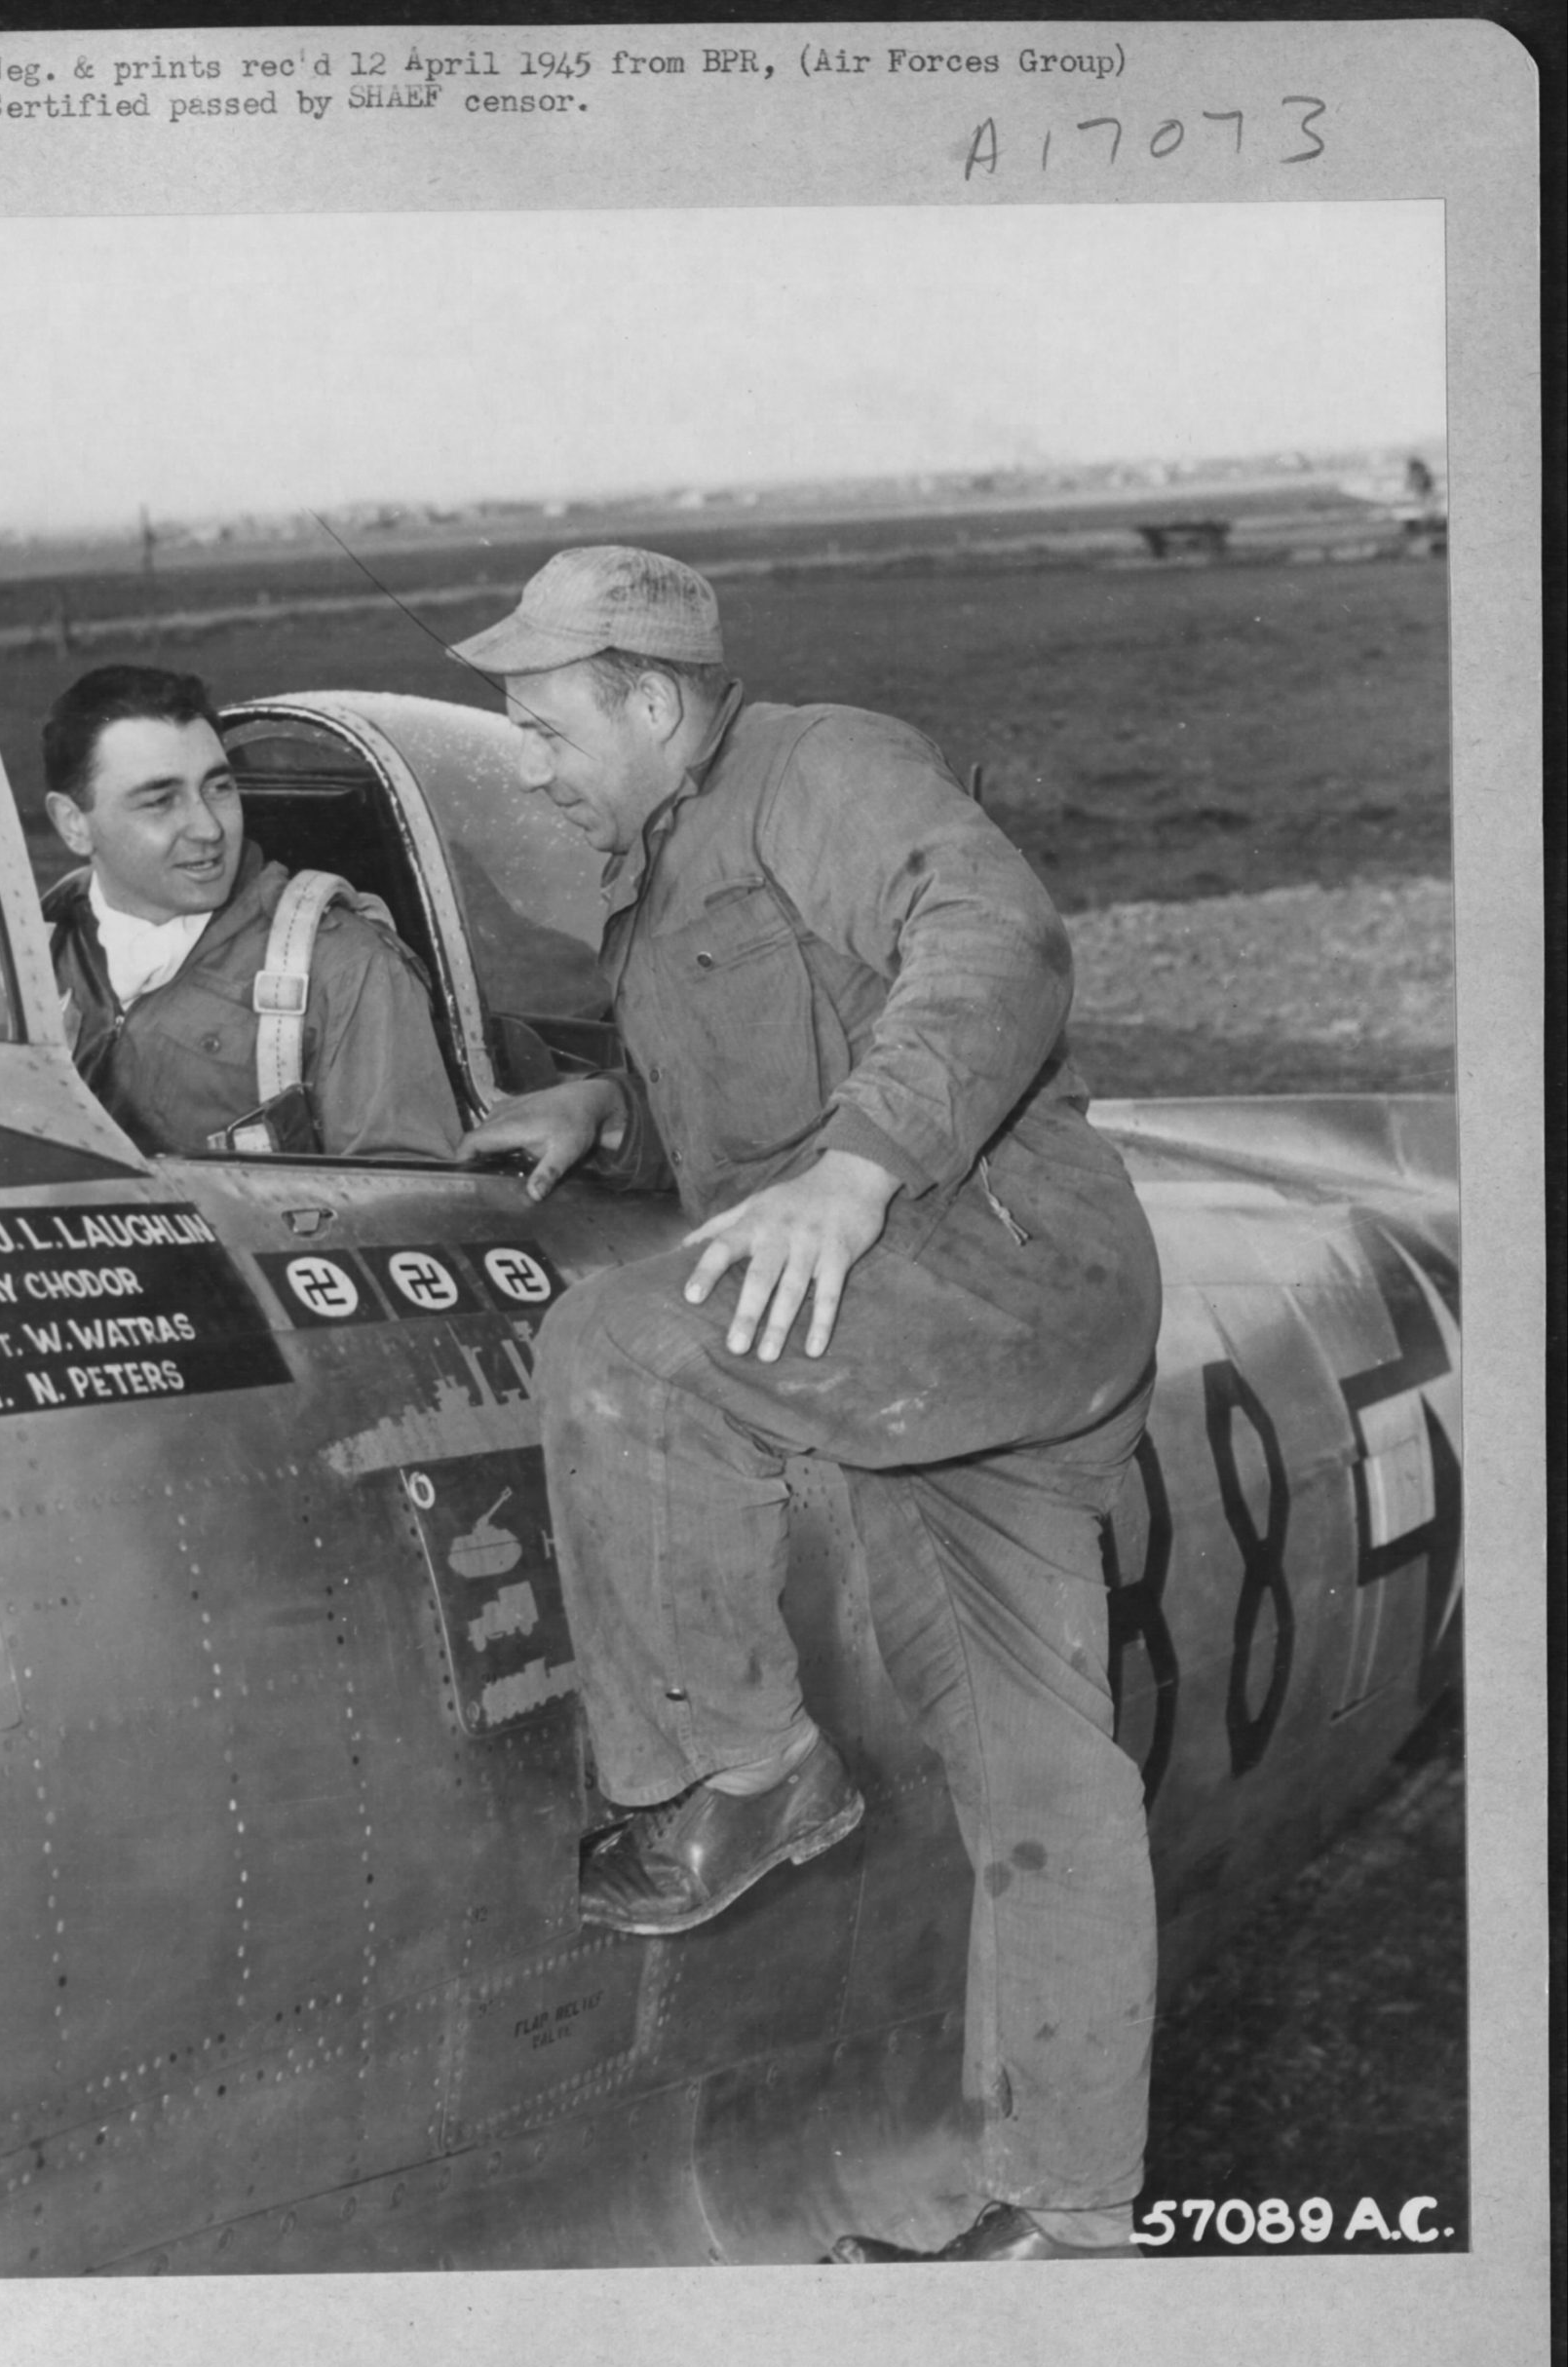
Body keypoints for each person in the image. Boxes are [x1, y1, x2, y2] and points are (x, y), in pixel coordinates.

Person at [453, 546, 1163, 2263]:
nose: (531, 763)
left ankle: (745, 1769)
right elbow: (748, 1070)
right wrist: (601, 1117)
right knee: (1044, 1779)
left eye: (544, 726)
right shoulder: (667, 863)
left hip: (986, 1268)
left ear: (646, 696)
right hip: (942, 1351)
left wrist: (861, 1173)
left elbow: (994, 935)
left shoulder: (820, 766)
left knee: (627, 1352)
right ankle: (1075, 2219)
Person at [0, 664, 463, 1162]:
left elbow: (408, 1196)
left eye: (219, 788)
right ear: (74, 824)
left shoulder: (345, 968)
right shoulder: (12, 957)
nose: (208, 829)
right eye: (161, 800)